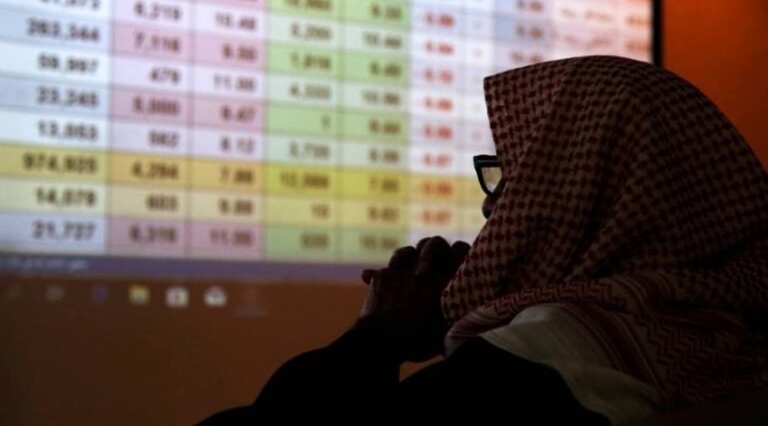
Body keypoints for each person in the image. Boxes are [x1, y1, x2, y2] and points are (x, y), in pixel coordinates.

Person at [201, 56, 767, 424]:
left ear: (578, 190)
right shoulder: (722, 340)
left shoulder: (555, 354)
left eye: (516, 174)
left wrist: (376, 338)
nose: (493, 204)